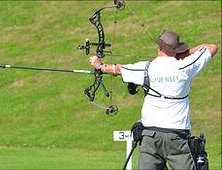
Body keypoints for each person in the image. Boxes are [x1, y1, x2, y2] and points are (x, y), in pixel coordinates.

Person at [89, 30, 218, 170]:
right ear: (176, 49)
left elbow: (117, 69)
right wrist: (184, 55)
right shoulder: (185, 66)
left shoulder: (146, 68)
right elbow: (212, 47)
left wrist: (99, 65)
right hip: (177, 137)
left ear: (159, 48)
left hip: (150, 137)